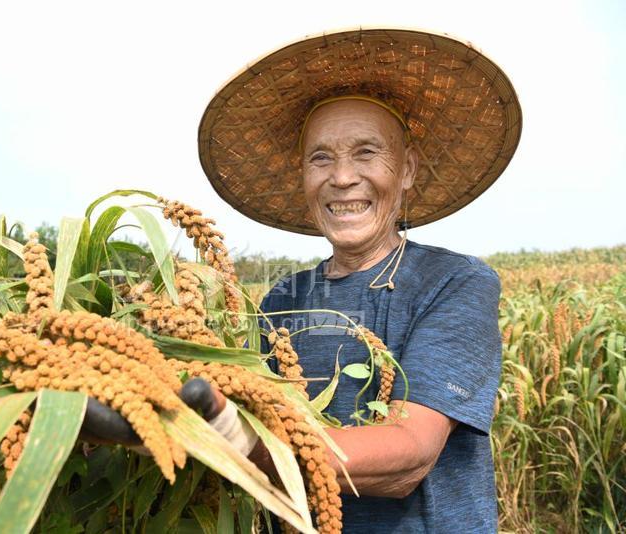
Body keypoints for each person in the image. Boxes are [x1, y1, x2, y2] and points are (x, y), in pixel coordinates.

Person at [87, 27, 522, 533]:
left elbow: (409, 456)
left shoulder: (455, 282)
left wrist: (229, 433)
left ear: (407, 170)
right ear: (304, 176)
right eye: (321, 157)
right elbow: (239, 404)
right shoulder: (280, 299)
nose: (341, 177)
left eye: (366, 153)